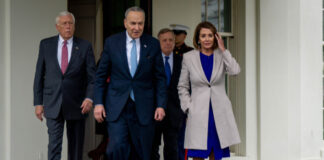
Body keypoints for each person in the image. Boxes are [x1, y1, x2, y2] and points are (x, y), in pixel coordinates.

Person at [93, 6, 167, 160]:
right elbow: (100, 76)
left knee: (142, 152)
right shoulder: (112, 43)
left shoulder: (152, 44)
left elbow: (160, 78)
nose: (137, 28)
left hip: (144, 107)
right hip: (117, 106)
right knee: (116, 147)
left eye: (140, 23)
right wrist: (98, 103)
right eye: (133, 23)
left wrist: (160, 105)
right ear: (125, 23)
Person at [33, 11, 96, 160]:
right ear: (57, 27)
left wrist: (89, 98)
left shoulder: (85, 46)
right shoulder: (46, 44)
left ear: (74, 26)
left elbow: (92, 77)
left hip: (78, 103)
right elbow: (39, 75)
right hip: (53, 102)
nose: (68, 26)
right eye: (64, 23)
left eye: (70, 23)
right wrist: (38, 103)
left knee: (75, 147)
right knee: (54, 145)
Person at [177, 21, 241, 160]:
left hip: (218, 114)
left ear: (215, 37)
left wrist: (224, 50)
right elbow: (182, 86)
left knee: (215, 155)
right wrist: (188, 108)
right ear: (198, 38)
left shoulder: (221, 55)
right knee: (198, 156)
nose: (207, 39)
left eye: (210, 35)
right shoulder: (189, 57)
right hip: (198, 114)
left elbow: (235, 71)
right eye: (203, 36)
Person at [151, 28, 184, 160]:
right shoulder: (151, 60)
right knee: (152, 148)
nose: (168, 43)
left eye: (171, 40)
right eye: (164, 40)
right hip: (154, 111)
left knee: (172, 148)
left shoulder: (182, 61)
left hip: (175, 112)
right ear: (158, 42)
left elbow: (187, 86)